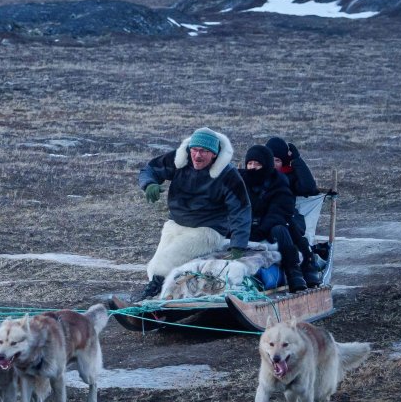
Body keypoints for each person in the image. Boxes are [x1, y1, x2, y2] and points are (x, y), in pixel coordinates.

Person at [127, 127, 251, 302]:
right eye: (194, 150)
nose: (197, 156)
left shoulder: (228, 174)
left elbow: (241, 209)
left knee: (167, 260)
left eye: (204, 151)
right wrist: (149, 184)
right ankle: (163, 295)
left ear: (214, 154)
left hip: (207, 230)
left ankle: (152, 296)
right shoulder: (180, 160)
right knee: (154, 266)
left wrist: (238, 244)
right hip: (176, 224)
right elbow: (150, 169)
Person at [239, 144, 307, 293]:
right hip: (244, 228)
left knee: (281, 229)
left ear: (266, 166)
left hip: (268, 229)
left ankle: (294, 273)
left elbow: (278, 212)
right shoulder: (240, 182)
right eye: (249, 163)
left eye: (257, 164)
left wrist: (261, 230)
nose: (252, 168)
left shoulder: (278, 183)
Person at [265, 136, 324, 287]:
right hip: (263, 218)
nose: (272, 164)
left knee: (286, 230)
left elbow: (309, 188)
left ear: (284, 162)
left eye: (277, 160)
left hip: (287, 218)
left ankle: (302, 269)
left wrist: (296, 160)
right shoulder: (256, 175)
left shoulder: (289, 178)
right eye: (270, 159)